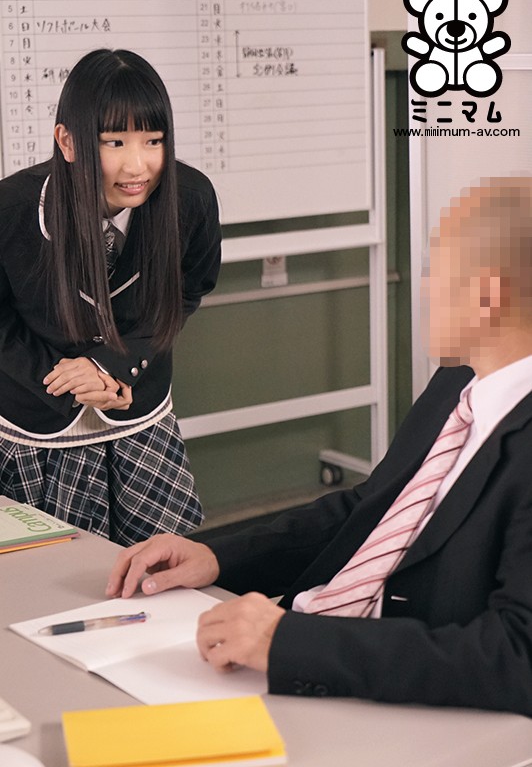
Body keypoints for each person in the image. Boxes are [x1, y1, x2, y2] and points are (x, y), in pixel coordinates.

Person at [106, 177, 532, 715]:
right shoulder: (459, 381)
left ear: (486, 296)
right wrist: (217, 557)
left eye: (436, 270)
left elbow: (518, 657)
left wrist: (290, 644)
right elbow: (368, 510)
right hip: (303, 652)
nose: (423, 289)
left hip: (386, 699)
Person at [0, 49, 221, 546]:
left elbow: (190, 287)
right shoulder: (10, 208)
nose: (137, 165)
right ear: (68, 141)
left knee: (158, 568)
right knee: (48, 575)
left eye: (153, 140)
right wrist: (68, 381)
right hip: (35, 423)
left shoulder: (191, 197)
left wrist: (114, 366)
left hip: (138, 417)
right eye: (114, 142)